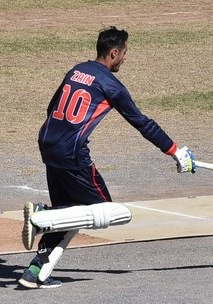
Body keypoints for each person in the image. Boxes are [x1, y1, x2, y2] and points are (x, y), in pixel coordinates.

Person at [18, 26, 196, 289]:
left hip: (48, 143)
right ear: (114, 53)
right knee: (110, 212)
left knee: (72, 214)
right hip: (73, 154)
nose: (125, 58)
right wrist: (175, 151)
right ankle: (42, 215)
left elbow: (51, 108)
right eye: (124, 53)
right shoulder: (110, 85)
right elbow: (141, 122)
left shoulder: (76, 70)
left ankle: (35, 272)